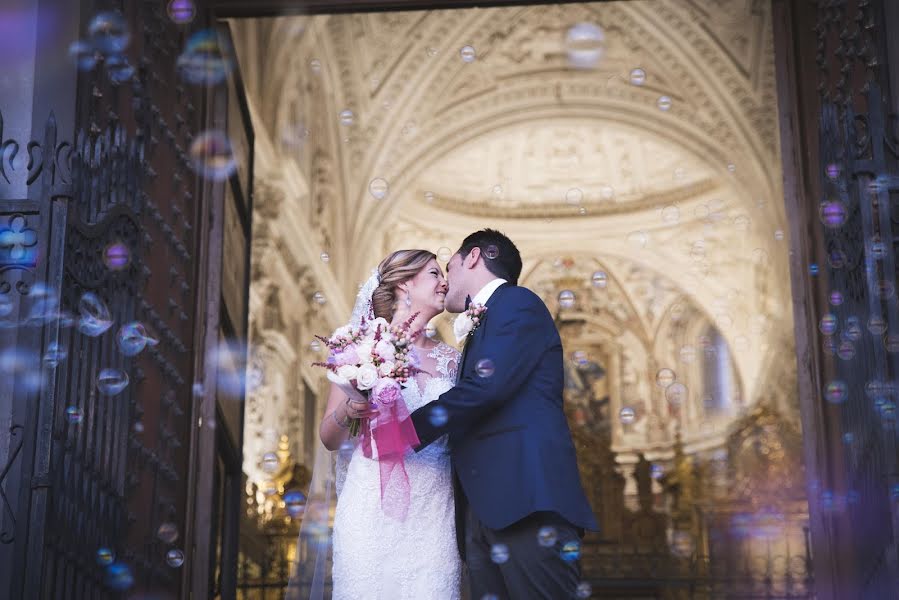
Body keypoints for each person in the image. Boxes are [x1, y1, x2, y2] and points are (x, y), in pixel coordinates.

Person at [408, 229, 598, 599]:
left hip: (526, 503)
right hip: (485, 510)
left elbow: (486, 387)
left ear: (475, 257)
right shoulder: (489, 319)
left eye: (450, 267)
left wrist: (405, 432)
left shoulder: (516, 303)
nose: (445, 281)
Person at [318, 249, 463, 599]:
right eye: (433, 273)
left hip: (435, 512)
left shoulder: (453, 360)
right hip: (370, 508)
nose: (445, 281)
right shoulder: (360, 347)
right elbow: (329, 438)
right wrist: (349, 410)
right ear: (403, 285)